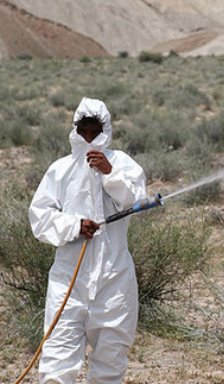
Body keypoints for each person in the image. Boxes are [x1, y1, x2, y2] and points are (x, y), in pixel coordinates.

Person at [29, 97, 147, 384]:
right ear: (75, 131)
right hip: (68, 283)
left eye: (96, 131)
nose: (90, 138)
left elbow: (138, 201)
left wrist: (111, 174)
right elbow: (39, 217)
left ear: (106, 130)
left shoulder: (123, 164)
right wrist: (73, 225)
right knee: (57, 364)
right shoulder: (60, 170)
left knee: (110, 364)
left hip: (114, 282)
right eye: (84, 131)